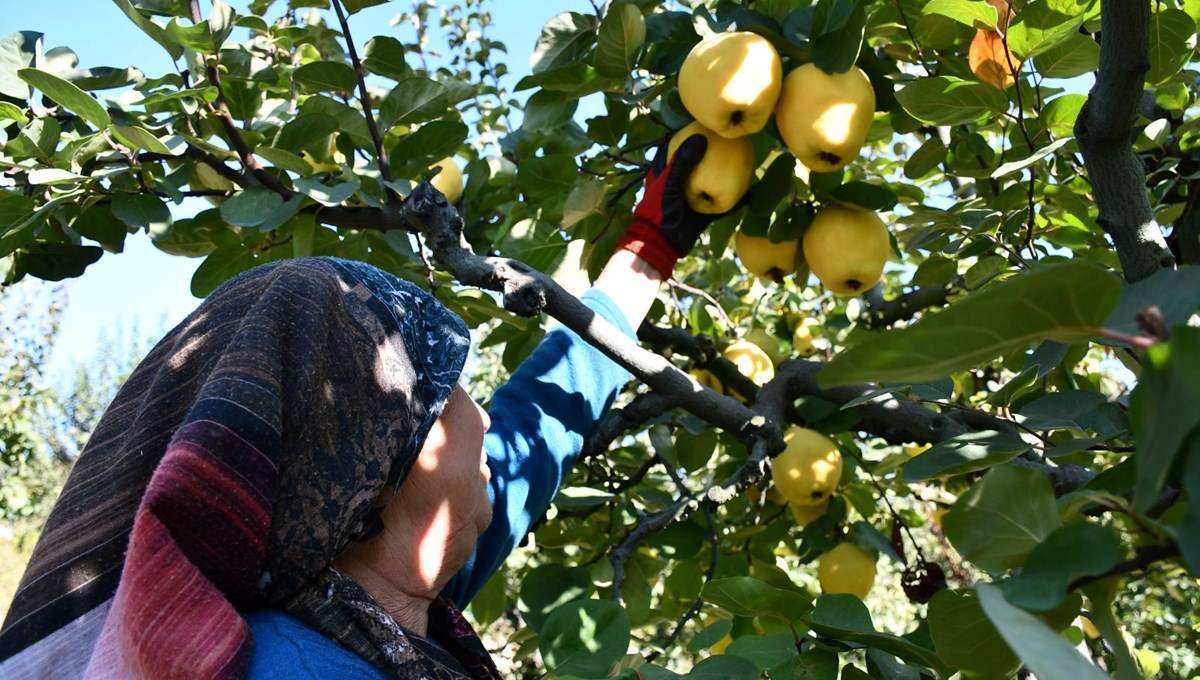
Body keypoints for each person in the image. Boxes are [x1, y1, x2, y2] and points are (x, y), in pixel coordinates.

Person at [0, 134, 720, 679]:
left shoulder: (365, 596)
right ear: (377, 477)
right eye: (445, 388)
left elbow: (534, 432)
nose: (476, 410)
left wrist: (647, 250)